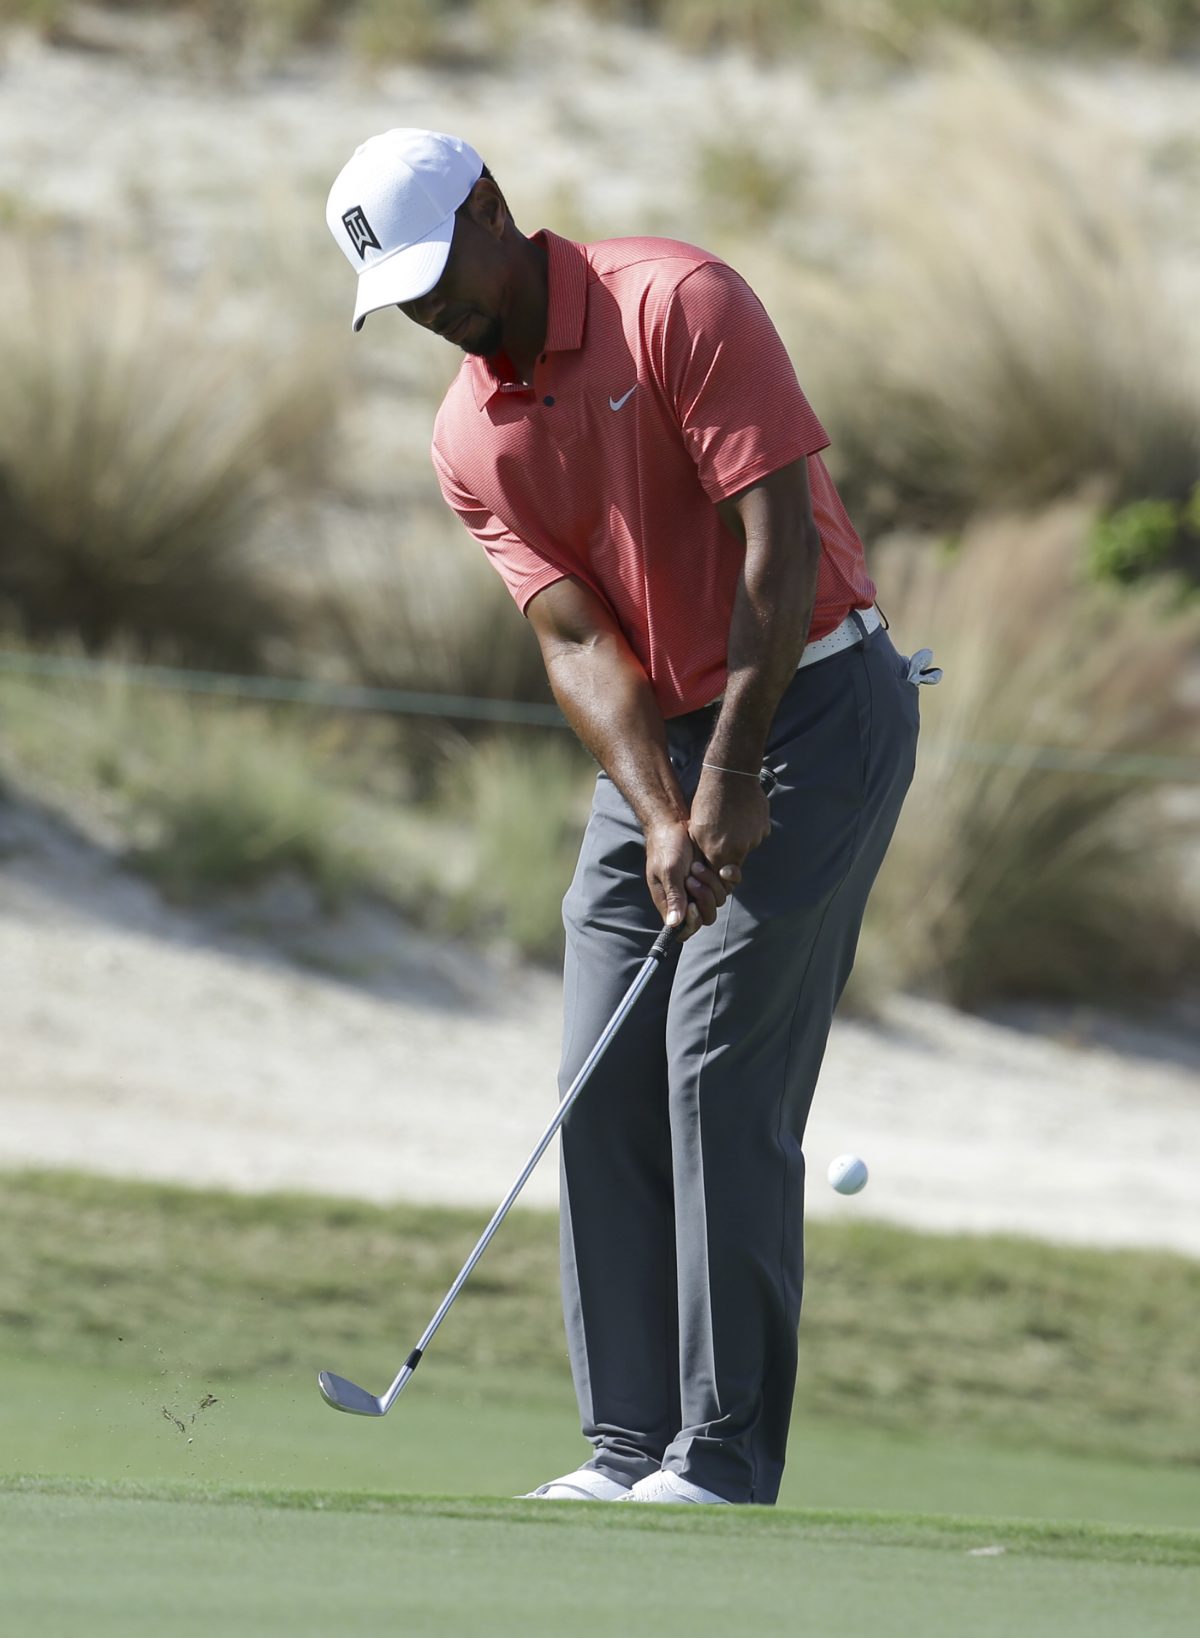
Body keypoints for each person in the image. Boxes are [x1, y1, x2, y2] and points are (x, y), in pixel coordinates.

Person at [326, 128, 941, 1507]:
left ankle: (719, 1456)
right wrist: (664, 809)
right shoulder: (466, 437)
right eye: (401, 298)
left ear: (493, 209)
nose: (433, 313)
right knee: (601, 1070)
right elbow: (573, 639)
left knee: (715, 1064)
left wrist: (730, 774)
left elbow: (781, 550)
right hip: (659, 748)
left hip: (813, 706)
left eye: (437, 275)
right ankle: (625, 1449)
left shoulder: (676, 303)